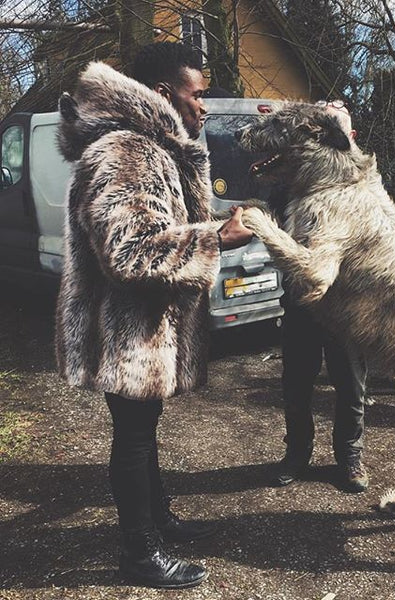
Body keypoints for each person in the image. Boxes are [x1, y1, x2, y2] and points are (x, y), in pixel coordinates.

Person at [55, 42, 253, 589]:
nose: (205, 105)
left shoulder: (154, 147)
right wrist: (215, 236)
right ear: (165, 93)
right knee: (134, 436)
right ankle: (140, 553)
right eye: (199, 93)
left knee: (142, 431)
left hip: (143, 326)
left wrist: (216, 229)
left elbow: (161, 230)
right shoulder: (126, 152)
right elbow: (129, 252)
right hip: (128, 331)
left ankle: (157, 522)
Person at [272, 101, 369, 493]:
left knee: (351, 386)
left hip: (347, 308)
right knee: (296, 385)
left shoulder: (363, 185)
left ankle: (350, 457)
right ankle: (297, 453)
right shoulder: (292, 182)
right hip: (301, 304)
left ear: (350, 139)